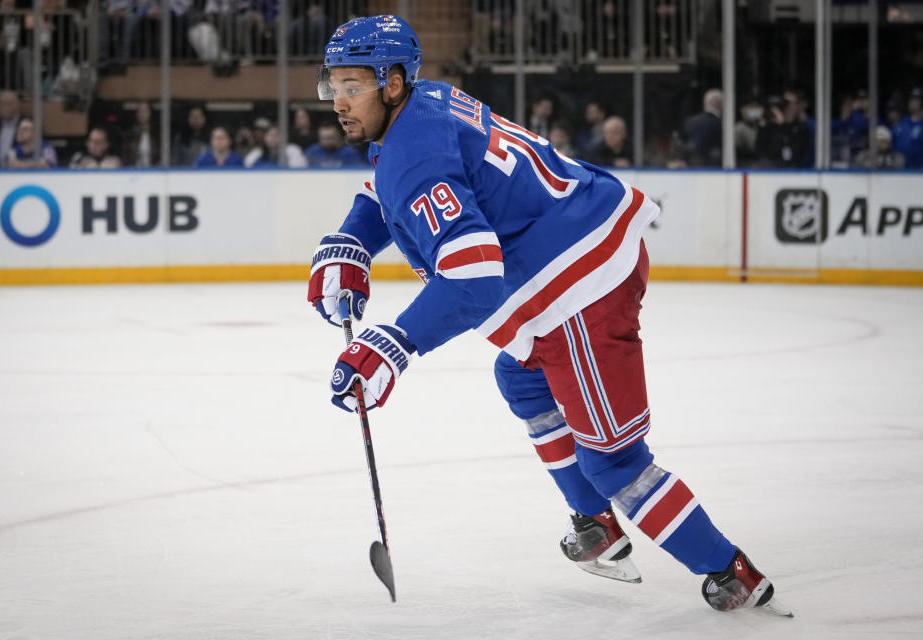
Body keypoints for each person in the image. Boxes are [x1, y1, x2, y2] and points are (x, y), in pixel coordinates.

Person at [306, 15, 791, 616]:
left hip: (578, 284)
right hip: (582, 242)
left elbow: (475, 275)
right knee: (522, 375)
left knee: (613, 460)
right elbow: (392, 187)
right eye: (333, 86)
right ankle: (597, 527)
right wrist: (353, 240)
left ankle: (730, 570)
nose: (338, 102)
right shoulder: (424, 106)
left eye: (351, 85)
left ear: (392, 82)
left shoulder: (413, 148)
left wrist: (393, 343)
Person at [682, 88, 722, 167]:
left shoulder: (691, 121)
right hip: (714, 168)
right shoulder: (719, 123)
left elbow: (685, 142)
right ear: (717, 103)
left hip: (692, 165)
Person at [0, 90, 22, 168]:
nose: (6, 108)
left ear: (18, 105)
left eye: (10, 104)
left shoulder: (26, 124)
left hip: (19, 172)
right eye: (3, 104)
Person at [892, 87, 923, 169]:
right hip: (898, 171)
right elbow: (891, 143)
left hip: (919, 171)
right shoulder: (901, 122)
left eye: (916, 100)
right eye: (911, 99)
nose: (912, 102)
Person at [121, 100, 159, 167]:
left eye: (146, 111)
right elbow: (125, 156)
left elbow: (161, 155)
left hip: (154, 171)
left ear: (150, 113)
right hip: (134, 170)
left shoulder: (157, 133)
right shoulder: (130, 134)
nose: (142, 114)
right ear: (136, 114)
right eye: (140, 111)